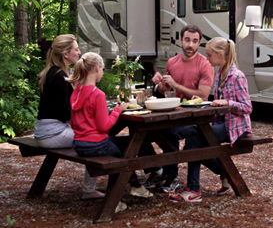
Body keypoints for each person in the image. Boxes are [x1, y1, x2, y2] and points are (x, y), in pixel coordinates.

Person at [66, 52, 153, 213]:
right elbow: (104, 127)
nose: (103, 72)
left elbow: (76, 122)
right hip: (95, 145)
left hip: (79, 143)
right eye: (103, 69)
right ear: (97, 68)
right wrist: (118, 111)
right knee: (121, 156)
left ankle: (136, 185)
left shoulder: (76, 91)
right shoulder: (97, 94)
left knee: (129, 144)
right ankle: (114, 200)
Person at [172, 37, 252, 202]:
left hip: (235, 126)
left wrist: (228, 102)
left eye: (209, 55)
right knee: (196, 142)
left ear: (221, 54)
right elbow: (217, 102)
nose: (207, 59)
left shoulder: (237, 76)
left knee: (194, 140)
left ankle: (194, 190)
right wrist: (202, 100)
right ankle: (225, 173)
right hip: (221, 123)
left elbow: (247, 107)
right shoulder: (220, 74)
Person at [34, 34, 104, 200]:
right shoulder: (59, 77)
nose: (79, 53)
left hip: (47, 130)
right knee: (94, 140)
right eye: (76, 49)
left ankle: (90, 188)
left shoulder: (54, 72)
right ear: (65, 54)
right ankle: (89, 190)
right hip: (52, 133)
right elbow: (67, 113)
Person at [148, 25, 214, 193]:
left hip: (196, 118)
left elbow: (203, 93)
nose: (190, 45)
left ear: (199, 43)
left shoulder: (205, 65)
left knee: (171, 134)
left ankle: (170, 176)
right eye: (187, 40)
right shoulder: (172, 62)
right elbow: (166, 90)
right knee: (150, 130)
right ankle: (161, 172)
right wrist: (159, 85)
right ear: (180, 40)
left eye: (194, 41)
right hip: (174, 114)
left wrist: (177, 85)